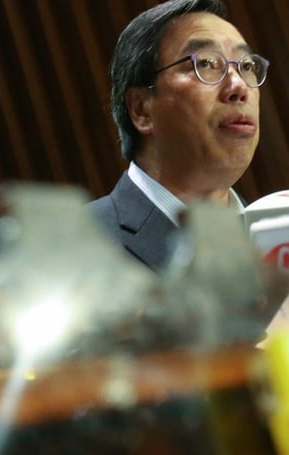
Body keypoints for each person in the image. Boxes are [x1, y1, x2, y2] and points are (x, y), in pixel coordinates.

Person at [88, 0, 269, 271]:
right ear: (141, 109)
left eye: (246, 66)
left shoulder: (283, 240)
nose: (239, 86)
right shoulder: (79, 245)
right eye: (207, 63)